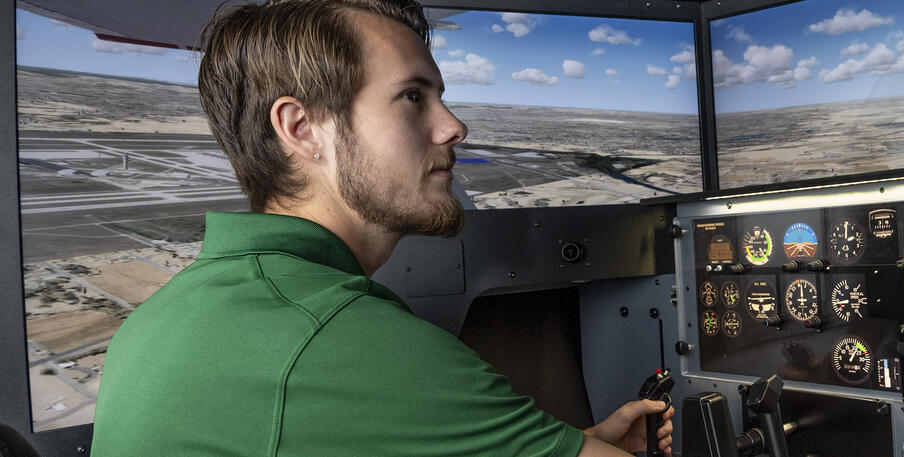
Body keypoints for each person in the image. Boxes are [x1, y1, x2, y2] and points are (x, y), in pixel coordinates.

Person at [89, 1, 671, 455]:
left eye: (440, 96)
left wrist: (565, 443)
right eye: (412, 97)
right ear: (303, 128)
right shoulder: (357, 345)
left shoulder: (155, 321)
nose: (454, 126)